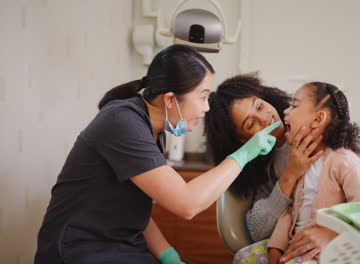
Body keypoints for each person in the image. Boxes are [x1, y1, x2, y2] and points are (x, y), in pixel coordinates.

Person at [34, 45, 281, 264]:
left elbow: (134, 211)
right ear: (171, 100)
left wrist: (168, 256)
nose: (206, 108)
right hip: (82, 251)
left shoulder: (150, 130)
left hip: (122, 247)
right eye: (203, 97)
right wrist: (244, 154)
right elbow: (187, 204)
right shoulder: (123, 122)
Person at [204, 74, 360, 263]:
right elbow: (259, 229)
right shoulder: (266, 167)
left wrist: (336, 232)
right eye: (251, 123)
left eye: (260, 106)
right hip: (298, 246)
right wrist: (289, 175)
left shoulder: (339, 142)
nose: (265, 118)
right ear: (244, 141)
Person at [266, 82, 360, 264]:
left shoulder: (344, 160)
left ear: (318, 119)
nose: (286, 111)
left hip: (328, 251)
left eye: (294, 105)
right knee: (243, 256)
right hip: (294, 248)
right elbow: (289, 212)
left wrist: (332, 234)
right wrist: (275, 251)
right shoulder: (300, 162)